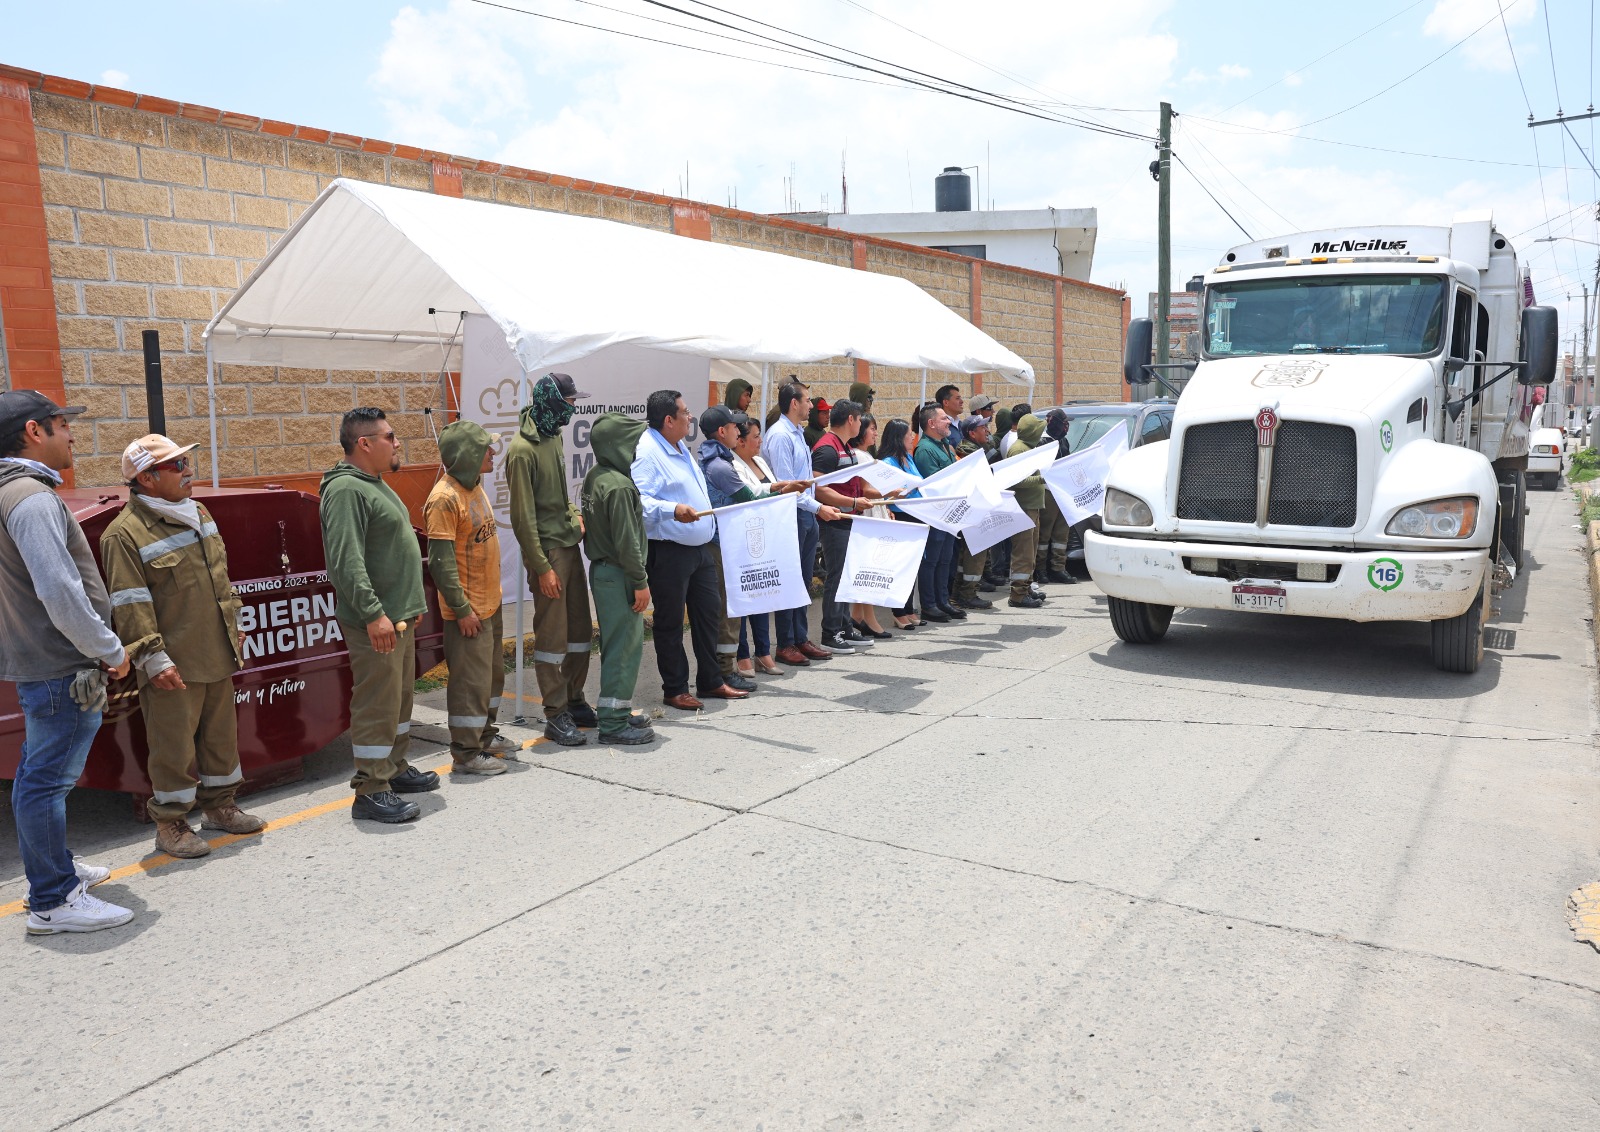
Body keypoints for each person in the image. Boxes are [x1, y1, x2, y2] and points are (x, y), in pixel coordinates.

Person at [0, 391, 133, 935]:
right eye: (61, 424)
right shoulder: (30, 498)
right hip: (61, 666)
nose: (71, 434)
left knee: (41, 776)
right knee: (45, 782)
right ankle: (53, 899)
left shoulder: (9, 491)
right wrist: (109, 648)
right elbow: (58, 590)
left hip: (42, 662)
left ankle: (56, 868)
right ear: (34, 431)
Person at [101, 434, 265, 859]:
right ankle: (170, 825)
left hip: (216, 649)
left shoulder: (199, 513)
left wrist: (234, 624)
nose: (188, 471)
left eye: (186, 462)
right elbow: (130, 603)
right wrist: (153, 658)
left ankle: (221, 807)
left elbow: (220, 577)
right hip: (173, 663)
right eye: (177, 466)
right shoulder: (123, 534)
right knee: (173, 747)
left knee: (221, 738)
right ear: (146, 478)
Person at [321, 407, 438, 824]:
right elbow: (346, 561)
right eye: (389, 436)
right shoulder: (346, 490)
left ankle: (394, 767)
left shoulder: (374, 484)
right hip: (376, 621)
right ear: (365, 444)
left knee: (398, 698)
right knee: (376, 702)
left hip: (398, 616)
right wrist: (373, 614)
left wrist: (411, 604)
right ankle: (371, 789)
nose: (397, 442)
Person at [633, 389, 747, 709]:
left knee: (708, 615)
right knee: (670, 623)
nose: (690, 417)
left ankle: (711, 680)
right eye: (684, 412)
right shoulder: (647, 452)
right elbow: (639, 501)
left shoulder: (679, 444)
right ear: (669, 420)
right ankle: (675, 688)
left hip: (699, 548)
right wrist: (673, 509)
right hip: (669, 550)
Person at [506, 373, 595, 748]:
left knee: (579, 631)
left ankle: (574, 699)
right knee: (552, 637)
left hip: (568, 544)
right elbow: (522, 518)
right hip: (548, 553)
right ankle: (555, 713)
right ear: (552, 401)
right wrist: (541, 567)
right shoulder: (522, 450)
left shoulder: (554, 435)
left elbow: (559, 495)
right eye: (570, 402)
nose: (573, 408)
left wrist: (574, 514)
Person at [424, 420, 511, 776]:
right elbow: (441, 564)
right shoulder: (444, 499)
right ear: (466, 455)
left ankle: (485, 736)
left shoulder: (474, 486)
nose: (492, 453)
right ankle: (466, 752)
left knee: (490, 679)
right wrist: (462, 610)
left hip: (489, 604)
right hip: (469, 611)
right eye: (483, 449)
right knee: (469, 685)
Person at [581, 413, 656, 745]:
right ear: (617, 445)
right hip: (621, 573)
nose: (636, 448)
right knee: (624, 649)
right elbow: (627, 542)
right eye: (632, 442)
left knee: (616, 647)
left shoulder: (597, 476)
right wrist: (640, 581)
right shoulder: (620, 486)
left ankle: (618, 713)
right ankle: (613, 724)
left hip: (605, 571)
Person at [761, 381, 842, 668]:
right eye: (807, 400)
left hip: (806, 513)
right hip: (791, 514)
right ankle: (786, 643)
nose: (811, 405)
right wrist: (819, 507)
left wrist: (816, 507)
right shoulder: (780, 436)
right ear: (794, 403)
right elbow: (788, 487)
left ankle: (800, 637)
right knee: (790, 580)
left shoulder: (797, 432)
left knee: (804, 581)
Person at [812, 398, 886, 653]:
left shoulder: (847, 448)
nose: (862, 425)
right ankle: (830, 633)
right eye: (860, 419)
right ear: (851, 419)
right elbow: (818, 489)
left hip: (849, 519)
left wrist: (888, 492)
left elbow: (858, 486)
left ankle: (845, 628)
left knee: (847, 576)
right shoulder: (827, 448)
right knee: (837, 577)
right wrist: (852, 502)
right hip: (834, 522)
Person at [697, 405, 761, 694]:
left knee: (729, 607)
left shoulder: (717, 460)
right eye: (736, 427)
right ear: (722, 431)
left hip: (723, 543)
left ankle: (725, 668)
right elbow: (749, 498)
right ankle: (724, 670)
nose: (740, 431)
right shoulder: (721, 467)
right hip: (720, 545)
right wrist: (780, 491)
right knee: (728, 609)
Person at [731, 415, 798, 675]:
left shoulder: (759, 461)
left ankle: (763, 652)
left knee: (763, 595)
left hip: (767, 536)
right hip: (744, 539)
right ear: (740, 440)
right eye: (756, 436)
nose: (761, 441)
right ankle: (742, 656)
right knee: (744, 598)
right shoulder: (732, 465)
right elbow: (751, 495)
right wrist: (778, 489)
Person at [913, 404, 964, 623]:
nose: (949, 421)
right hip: (935, 514)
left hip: (949, 513)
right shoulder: (925, 449)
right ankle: (929, 604)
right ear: (931, 423)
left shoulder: (945, 445)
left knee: (945, 559)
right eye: (944, 419)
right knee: (931, 561)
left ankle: (943, 601)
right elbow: (935, 483)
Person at [846, 415, 892, 639]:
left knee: (868, 566)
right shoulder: (861, 456)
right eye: (872, 429)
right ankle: (869, 618)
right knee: (868, 568)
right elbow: (865, 490)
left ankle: (857, 616)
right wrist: (891, 490)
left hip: (873, 510)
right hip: (868, 512)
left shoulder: (865, 455)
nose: (875, 433)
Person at [877, 417, 924, 630]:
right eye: (908, 435)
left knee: (912, 566)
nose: (912, 437)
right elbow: (888, 492)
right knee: (901, 566)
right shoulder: (888, 463)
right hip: (900, 515)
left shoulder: (908, 457)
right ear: (898, 438)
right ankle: (898, 611)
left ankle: (908, 608)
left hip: (915, 514)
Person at [1006, 412, 1050, 609]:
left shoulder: (1028, 448)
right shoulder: (1019, 450)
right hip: (1023, 509)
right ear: (1033, 432)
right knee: (1023, 554)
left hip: (1031, 508)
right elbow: (1016, 480)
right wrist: (1043, 479)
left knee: (1030, 552)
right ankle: (1018, 595)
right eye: (1039, 430)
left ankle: (1026, 587)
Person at [951, 417, 995, 612]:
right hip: (973, 509)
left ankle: (960, 594)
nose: (987, 430)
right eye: (983, 427)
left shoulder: (976, 451)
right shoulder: (969, 454)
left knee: (968, 554)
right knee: (974, 554)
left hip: (975, 508)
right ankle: (968, 595)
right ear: (971, 433)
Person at [1034, 409, 1077, 586]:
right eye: (1064, 423)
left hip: (1063, 493)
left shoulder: (1063, 441)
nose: (1067, 427)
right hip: (1048, 493)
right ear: (1054, 423)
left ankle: (1058, 568)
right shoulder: (1042, 442)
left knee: (1061, 533)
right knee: (1044, 534)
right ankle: (1041, 570)